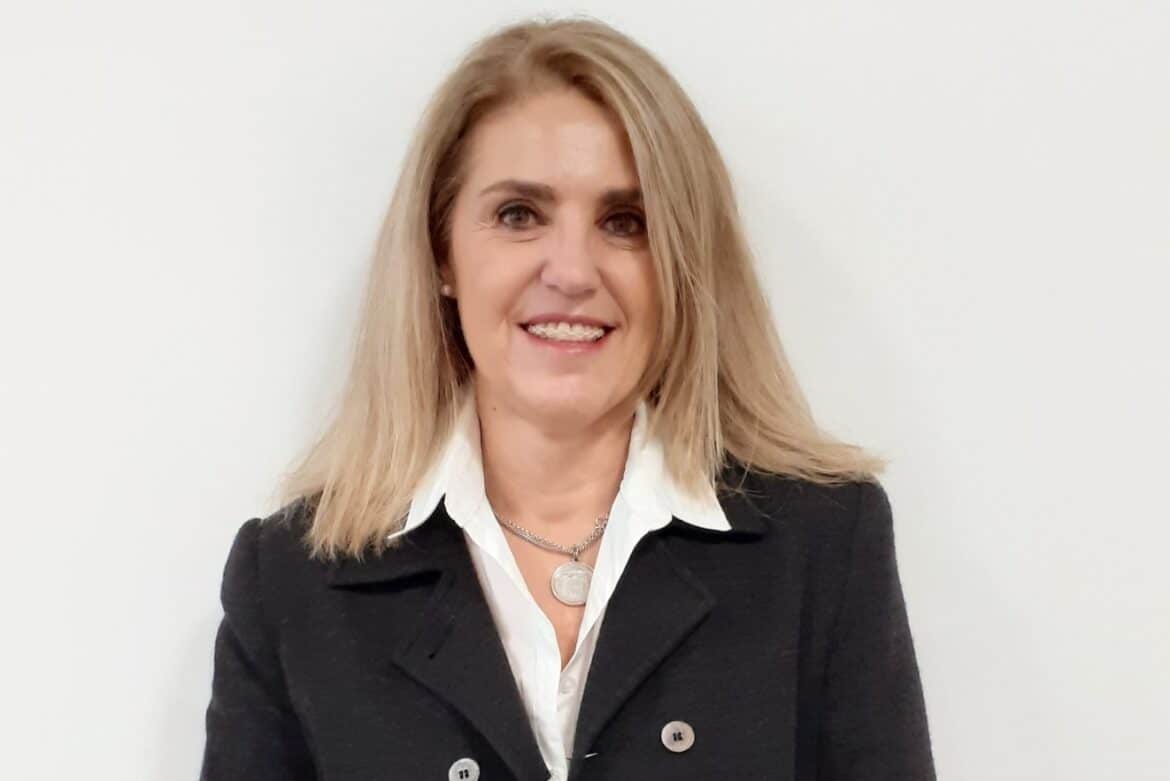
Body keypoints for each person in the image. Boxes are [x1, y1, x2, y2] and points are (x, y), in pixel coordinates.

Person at [200, 15, 936, 781]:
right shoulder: (295, 583)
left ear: (681, 262)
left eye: (626, 222)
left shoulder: (822, 546)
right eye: (519, 215)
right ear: (441, 251)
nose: (573, 271)